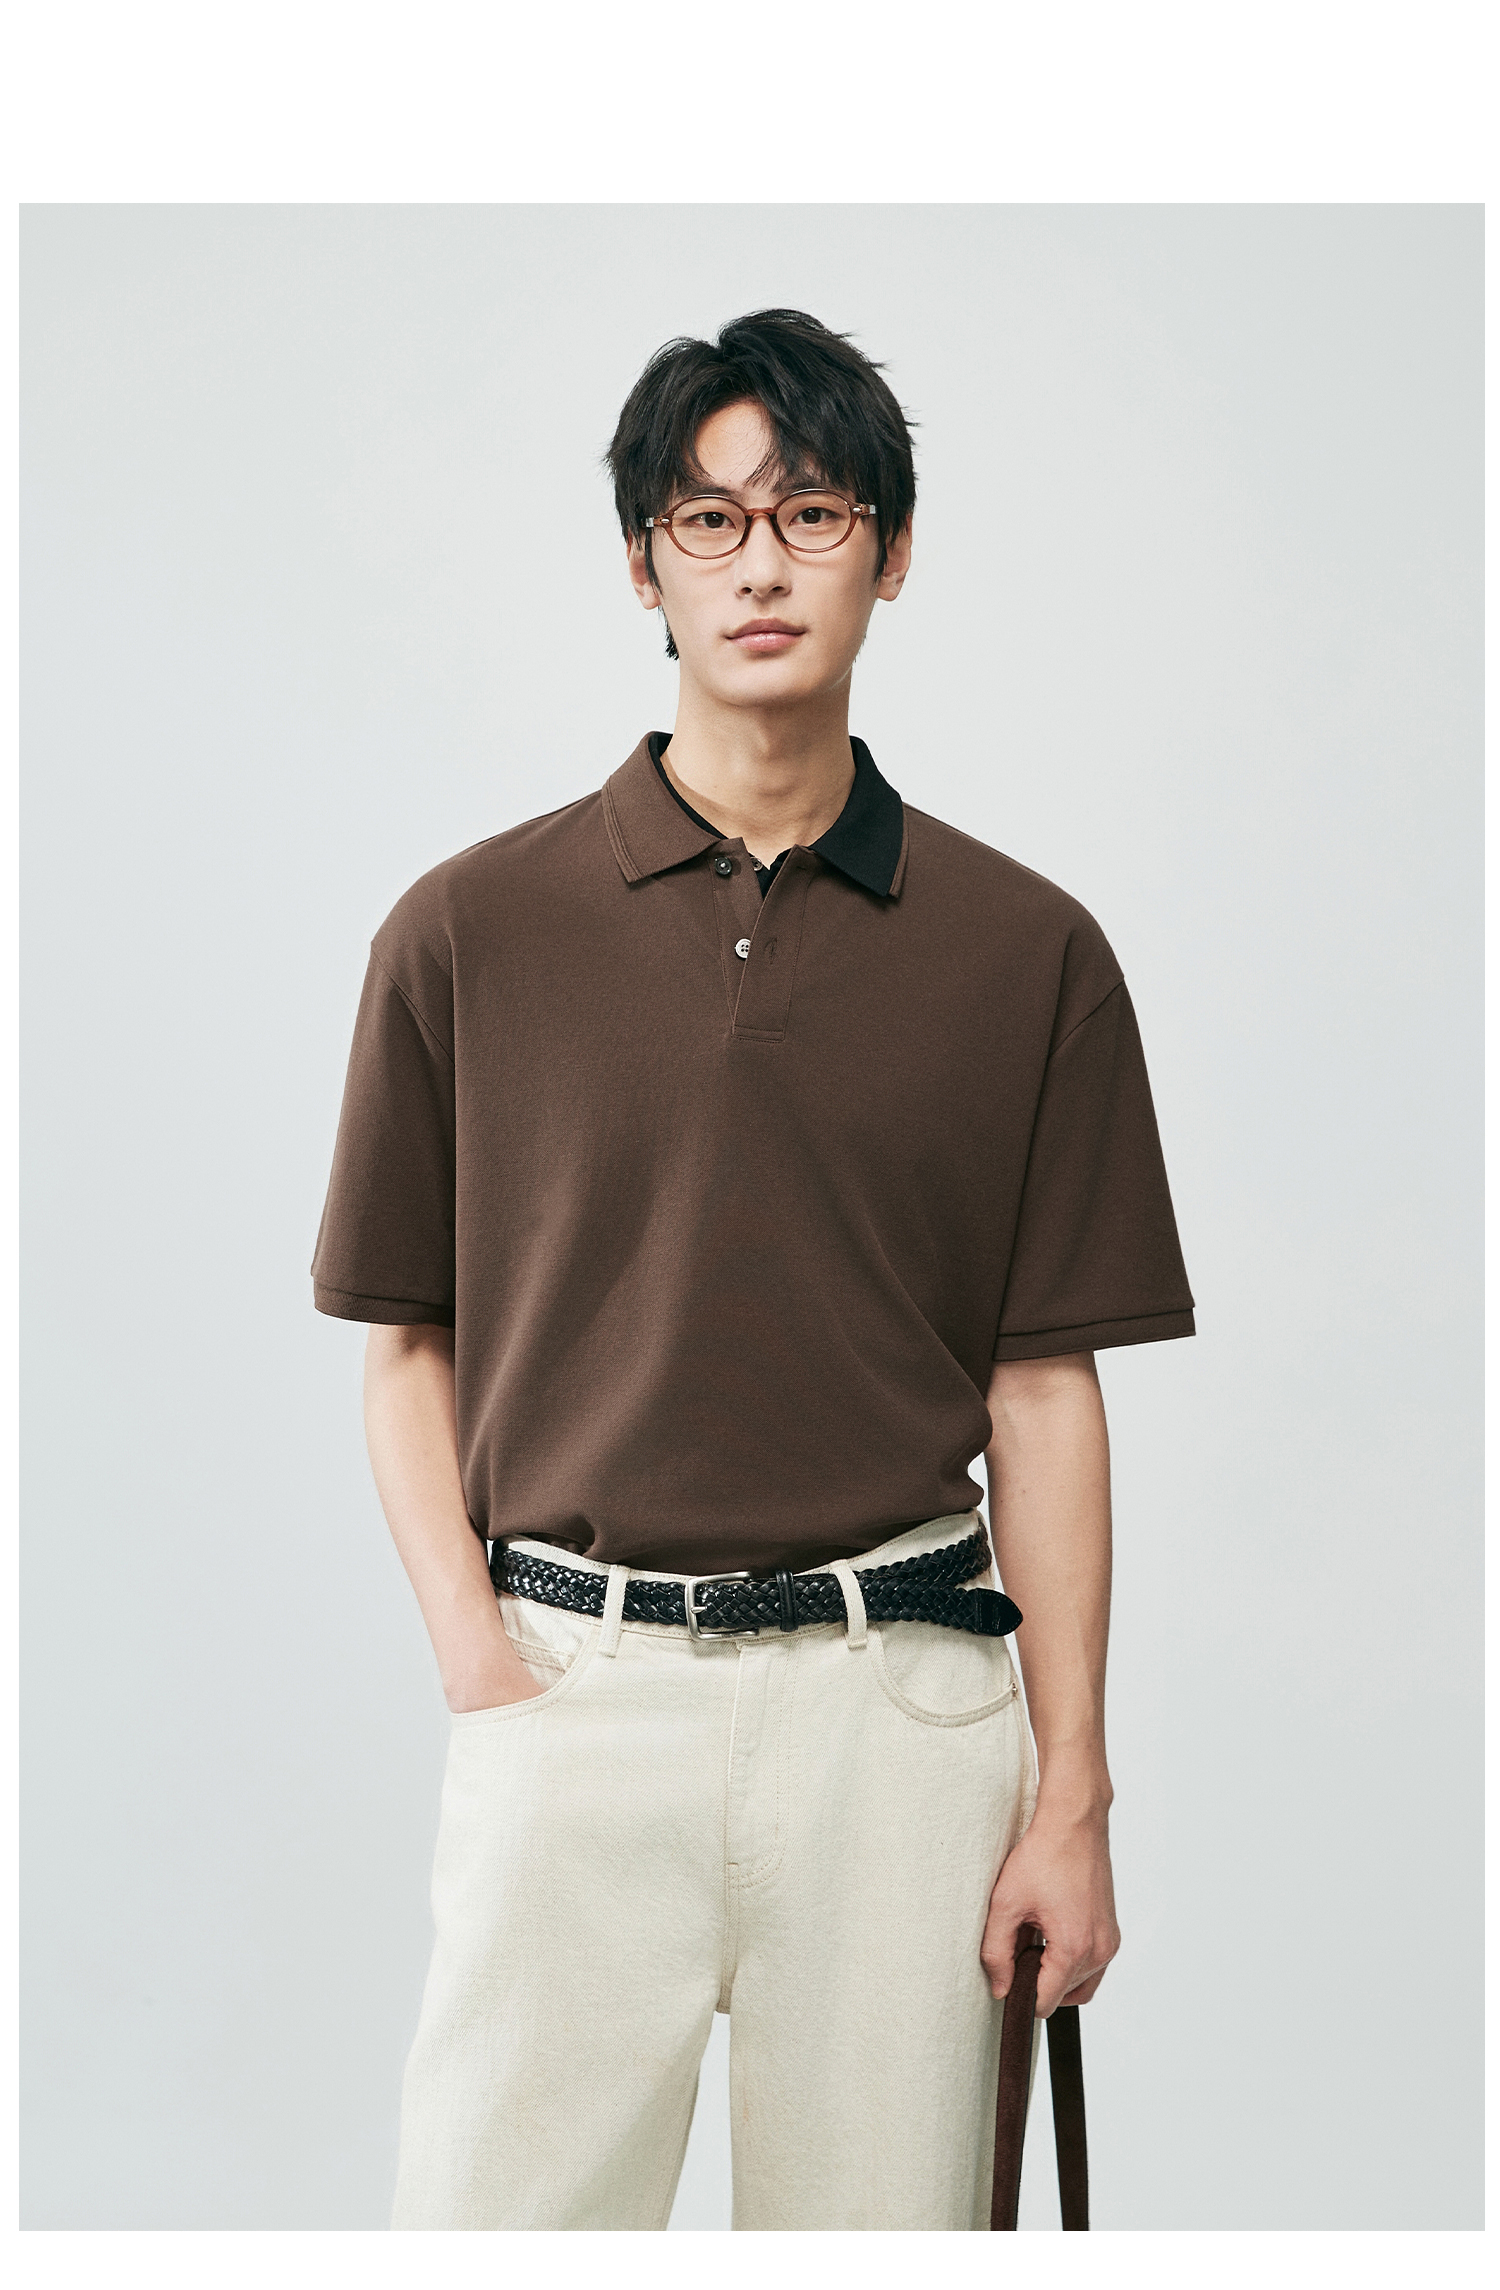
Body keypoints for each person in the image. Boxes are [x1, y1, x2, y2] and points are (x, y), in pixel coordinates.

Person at [311, 308, 1195, 2231]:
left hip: (904, 1718)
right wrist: (482, 1662)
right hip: (571, 1686)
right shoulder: (466, 931)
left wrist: (1072, 1792)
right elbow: (406, 1346)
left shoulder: (1030, 952)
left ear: (893, 549)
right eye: (707, 521)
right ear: (642, 564)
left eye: (813, 511)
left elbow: (1045, 1392)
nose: (762, 563)